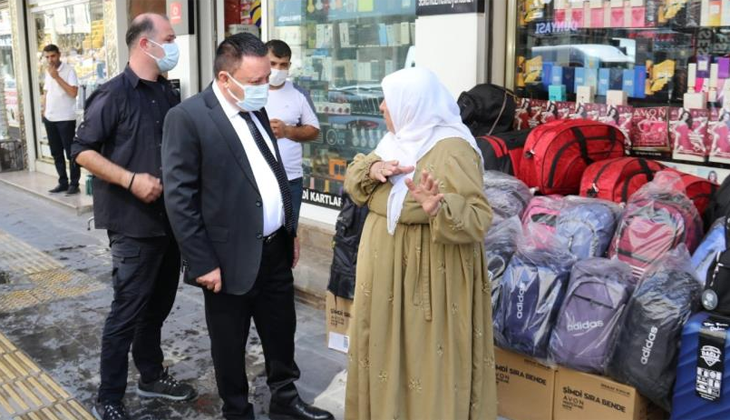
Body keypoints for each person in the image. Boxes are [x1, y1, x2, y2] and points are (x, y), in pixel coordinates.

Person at [161, 32, 334, 420]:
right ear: (226, 79)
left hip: (274, 248)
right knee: (229, 341)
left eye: (266, 76)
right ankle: (237, 410)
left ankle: (285, 399)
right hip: (226, 256)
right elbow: (179, 198)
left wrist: (289, 228)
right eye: (255, 81)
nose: (264, 87)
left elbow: (274, 171)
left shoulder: (253, 108)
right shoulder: (188, 118)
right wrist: (202, 262)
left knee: (280, 328)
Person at [343, 67, 496, 420]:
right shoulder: (394, 141)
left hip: (431, 279)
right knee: (382, 352)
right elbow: (354, 181)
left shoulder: (453, 149)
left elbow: (478, 217)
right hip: (383, 274)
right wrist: (372, 170)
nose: (382, 106)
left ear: (412, 104)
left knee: (425, 361)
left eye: (389, 99)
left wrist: (437, 207)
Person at [71, 13, 196, 420]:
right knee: (126, 312)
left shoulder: (166, 92)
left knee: (156, 309)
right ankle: (108, 397)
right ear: (145, 44)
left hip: (168, 224)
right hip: (133, 226)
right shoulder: (113, 94)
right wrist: (129, 180)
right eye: (170, 38)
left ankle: (151, 375)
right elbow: (82, 151)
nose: (175, 45)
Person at [264, 39, 320, 233]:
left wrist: (287, 131)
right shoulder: (251, 91)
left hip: (290, 178)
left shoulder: (298, 94)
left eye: (283, 65)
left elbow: (314, 130)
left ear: (289, 66)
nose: (277, 70)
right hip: (258, 178)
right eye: (272, 64)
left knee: (288, 234)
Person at [42, 44, 80, 195]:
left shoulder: (69, 70)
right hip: (50, 117)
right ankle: (63, 182)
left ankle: (74, 184)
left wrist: (56, 77)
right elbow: (46, 92)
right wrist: (43, 111)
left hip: (65, 118)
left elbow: (73, 92)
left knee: (70, 153)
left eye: (53, 56)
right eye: (47, 57)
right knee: (56, 152)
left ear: (59, 54)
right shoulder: (48, 71)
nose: (50, 60)